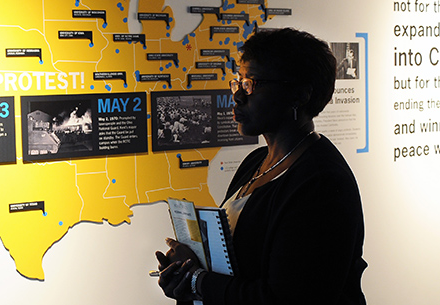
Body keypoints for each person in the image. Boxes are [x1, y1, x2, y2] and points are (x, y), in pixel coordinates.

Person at [155, 28, 367, 305]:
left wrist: (197, 280)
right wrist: (185, 275)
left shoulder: (321, 184)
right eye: (239, 83)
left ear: (300, 95)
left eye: (252, 84)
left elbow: (283, 299)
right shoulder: (256, 161)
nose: (238, 97)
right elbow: (237, 268)